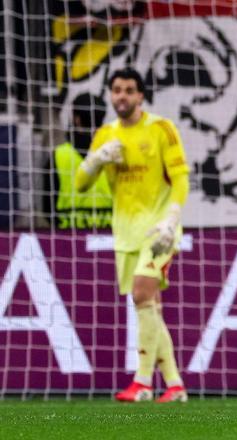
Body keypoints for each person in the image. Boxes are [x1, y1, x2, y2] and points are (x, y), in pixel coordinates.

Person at [75, 68, 190, 403]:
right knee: (149, 304)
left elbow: (180, 178)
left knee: (141, 294)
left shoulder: (161, 128)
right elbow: (81, 184)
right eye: (116, 90)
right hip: (125, 234)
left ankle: (142, 382)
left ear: (140, 95)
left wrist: (171, 218)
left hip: (159, 230)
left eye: (128, 90)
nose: (121, 96)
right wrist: (96, 160)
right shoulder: (105, 135)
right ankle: (175, 385)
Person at [47, 93, 113, 229]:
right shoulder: (113, 154)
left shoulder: (59, 155)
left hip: (67, 232)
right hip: (109, 231)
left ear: (76, 119)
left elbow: (47, 205)